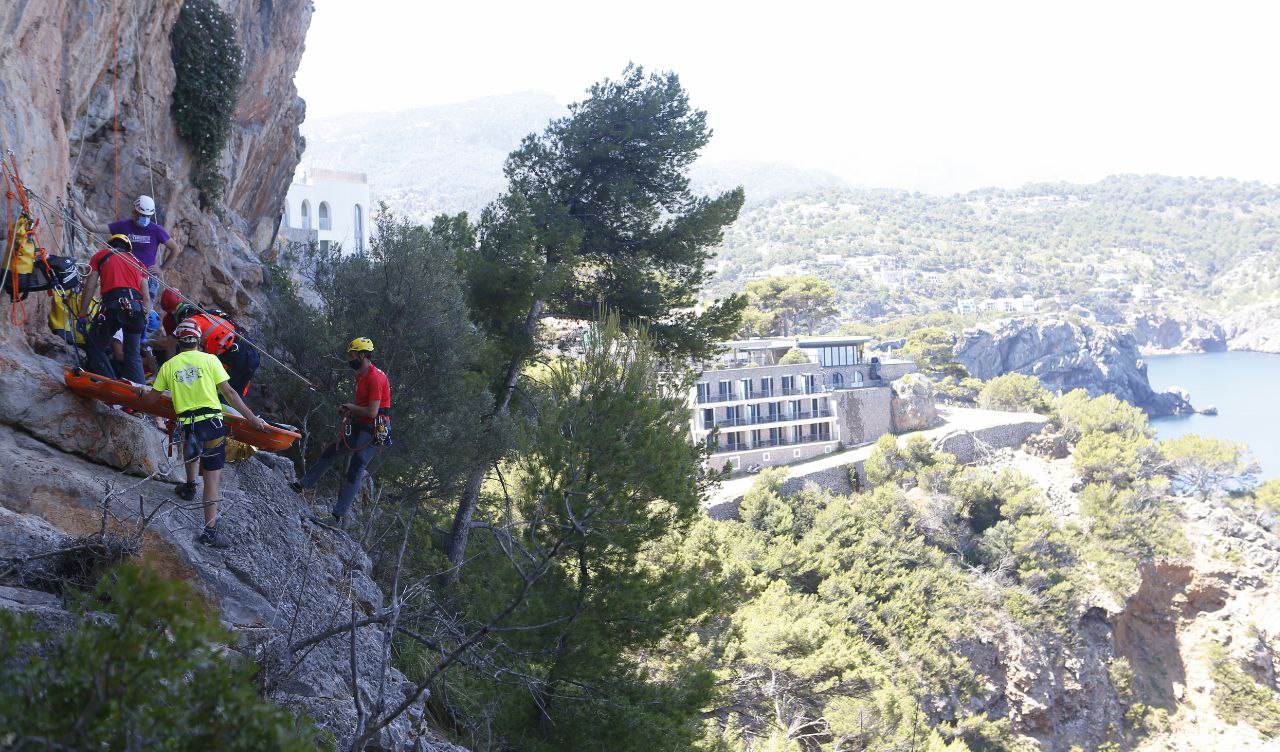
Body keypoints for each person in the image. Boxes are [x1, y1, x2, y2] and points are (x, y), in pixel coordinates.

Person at [136, 319, 270, 548]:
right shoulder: (211, 360)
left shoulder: (169, 366)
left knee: (191, 447)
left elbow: (151, 400)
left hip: (189, 425)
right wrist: (252, 418)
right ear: (199, 341)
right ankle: (209, 531)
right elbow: (229, 392)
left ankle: (189, 486)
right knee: (212, 478)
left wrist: (140, 392)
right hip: (212, 424)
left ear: (178, 341)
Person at [291, 337, 391, 526]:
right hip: (361, 423)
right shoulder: (361, 375)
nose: (349, 359)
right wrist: (348, 411)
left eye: (352, 355)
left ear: (362, 355)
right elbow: (363, 407)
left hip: (374, 428)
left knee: (356, 467)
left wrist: (350, 407)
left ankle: (337, 517)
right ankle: (302, 484)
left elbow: (372, 411)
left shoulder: (375, 377)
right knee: (332, 451)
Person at [79, 234, 150, 384]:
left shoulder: (101, 255)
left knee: (94, 345)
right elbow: (147, 298)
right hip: (136, 308)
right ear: (128, 249)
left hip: (113, 306)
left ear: (110, 246)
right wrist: (144, 321)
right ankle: (141, 397)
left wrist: (82, 313)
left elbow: (90, 286)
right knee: (133, 355)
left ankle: (110, 386)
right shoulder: (139, 263)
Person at [76, 195, 183, 285]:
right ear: (134, 212)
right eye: (142, 215)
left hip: (148, 279)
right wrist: (76, 210)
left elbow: (175, 249)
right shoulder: (123, 226)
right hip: (125, 277)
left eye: (147, 216)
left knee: (145, 308)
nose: (145, 218)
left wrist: (161, 269)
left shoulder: (156, 230)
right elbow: (93, 228)